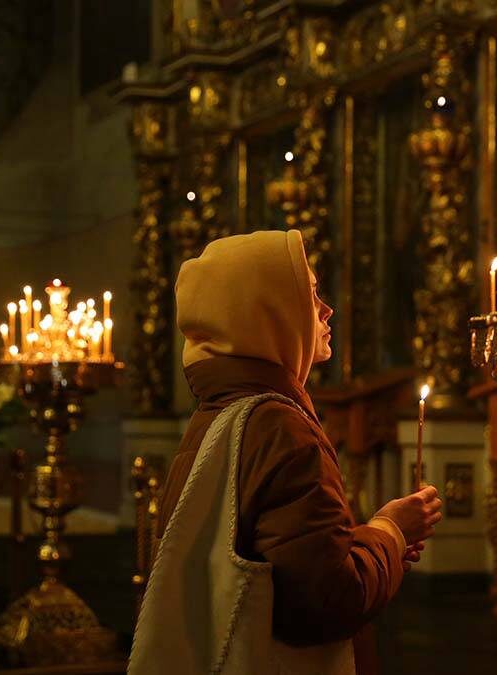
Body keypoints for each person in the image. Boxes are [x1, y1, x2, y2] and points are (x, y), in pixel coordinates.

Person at [130, 230, 442, 675]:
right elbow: (326, 601)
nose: (326, 309)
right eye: (311, 293)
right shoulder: (280, 427)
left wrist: (367, 544)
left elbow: (277, 563)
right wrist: (391, 530)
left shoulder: (217, 415)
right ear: (270, 312)